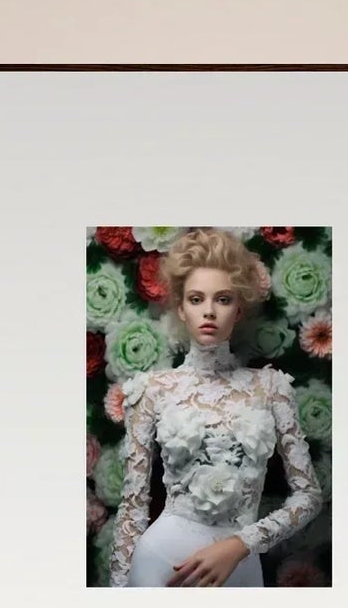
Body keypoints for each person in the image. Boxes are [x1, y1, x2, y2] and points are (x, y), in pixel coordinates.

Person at [109, 228, 323, 588]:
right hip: (159, 563)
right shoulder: (152, 389)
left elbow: (309, 496)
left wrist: (240, 544)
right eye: (196, 299)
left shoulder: (271, 388)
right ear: (181, 308)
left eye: (222, 299)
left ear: (238, 310)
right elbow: (132, 509)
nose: (209, 311)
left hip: (239, 566)